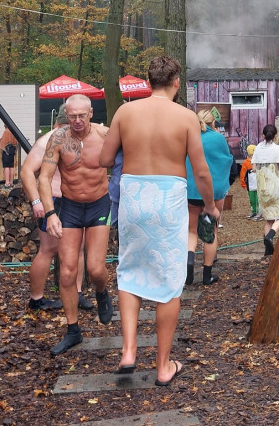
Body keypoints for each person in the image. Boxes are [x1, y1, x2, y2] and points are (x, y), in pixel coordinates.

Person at [98, 56, 218, 384]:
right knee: (169, 279)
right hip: (168, 197)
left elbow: (104, 159)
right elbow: (202, 170)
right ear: (176, 82)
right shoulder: (185, 117)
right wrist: (209, 206)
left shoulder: (125, 112)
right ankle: (163, 366)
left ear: (149, 81)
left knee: (130, 268)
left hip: (134, 195)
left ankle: (128, 351)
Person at [38, 94, 114, 356]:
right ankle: (73, 330)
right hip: (69, 207)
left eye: (82, 115)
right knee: (67, 273)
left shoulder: (106, 135)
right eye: (72, 116)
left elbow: (131, 159)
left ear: (91, 113)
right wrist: (50, 213)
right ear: (66, 116)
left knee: (95, 269)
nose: (78, 121)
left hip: (99, 205)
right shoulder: (58, 139)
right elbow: (44, 177)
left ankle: (103, 292)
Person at [19, 105, 90, 312]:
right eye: (72, 120)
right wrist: (37, 201)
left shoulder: (81, 138)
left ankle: (76, 294)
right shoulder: (49, 140)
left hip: (77, 200)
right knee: (48, 250)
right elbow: (26, 172)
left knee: (77, 250)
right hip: (55, 201)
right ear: (62, 121)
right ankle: (37, 299)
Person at [184, 110, 234, 286]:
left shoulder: (189, 136)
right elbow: (227, 160)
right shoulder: (218, 139)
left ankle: (189, 267)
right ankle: (207, 275)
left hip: (191, 191)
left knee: (191, 231)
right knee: (209, 232)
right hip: (212, 193)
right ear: (214, 123)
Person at [251, 124, 279, 256]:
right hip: (276, 187)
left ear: (263, 135)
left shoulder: (258, 149)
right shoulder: (278, 149)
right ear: (275, 136)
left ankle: (268, 251)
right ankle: (270, 236)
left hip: (262, 188)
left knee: (269, 219)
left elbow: (254, 168)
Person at [239, 144, 259, 219]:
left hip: (257, 184)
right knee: (252, 199)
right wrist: (243, 183)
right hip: (250, 185)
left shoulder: (258, 161)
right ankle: (254, 211)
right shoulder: (246, 163)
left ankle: (259, 212)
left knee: (258, 199)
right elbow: (243, 174)